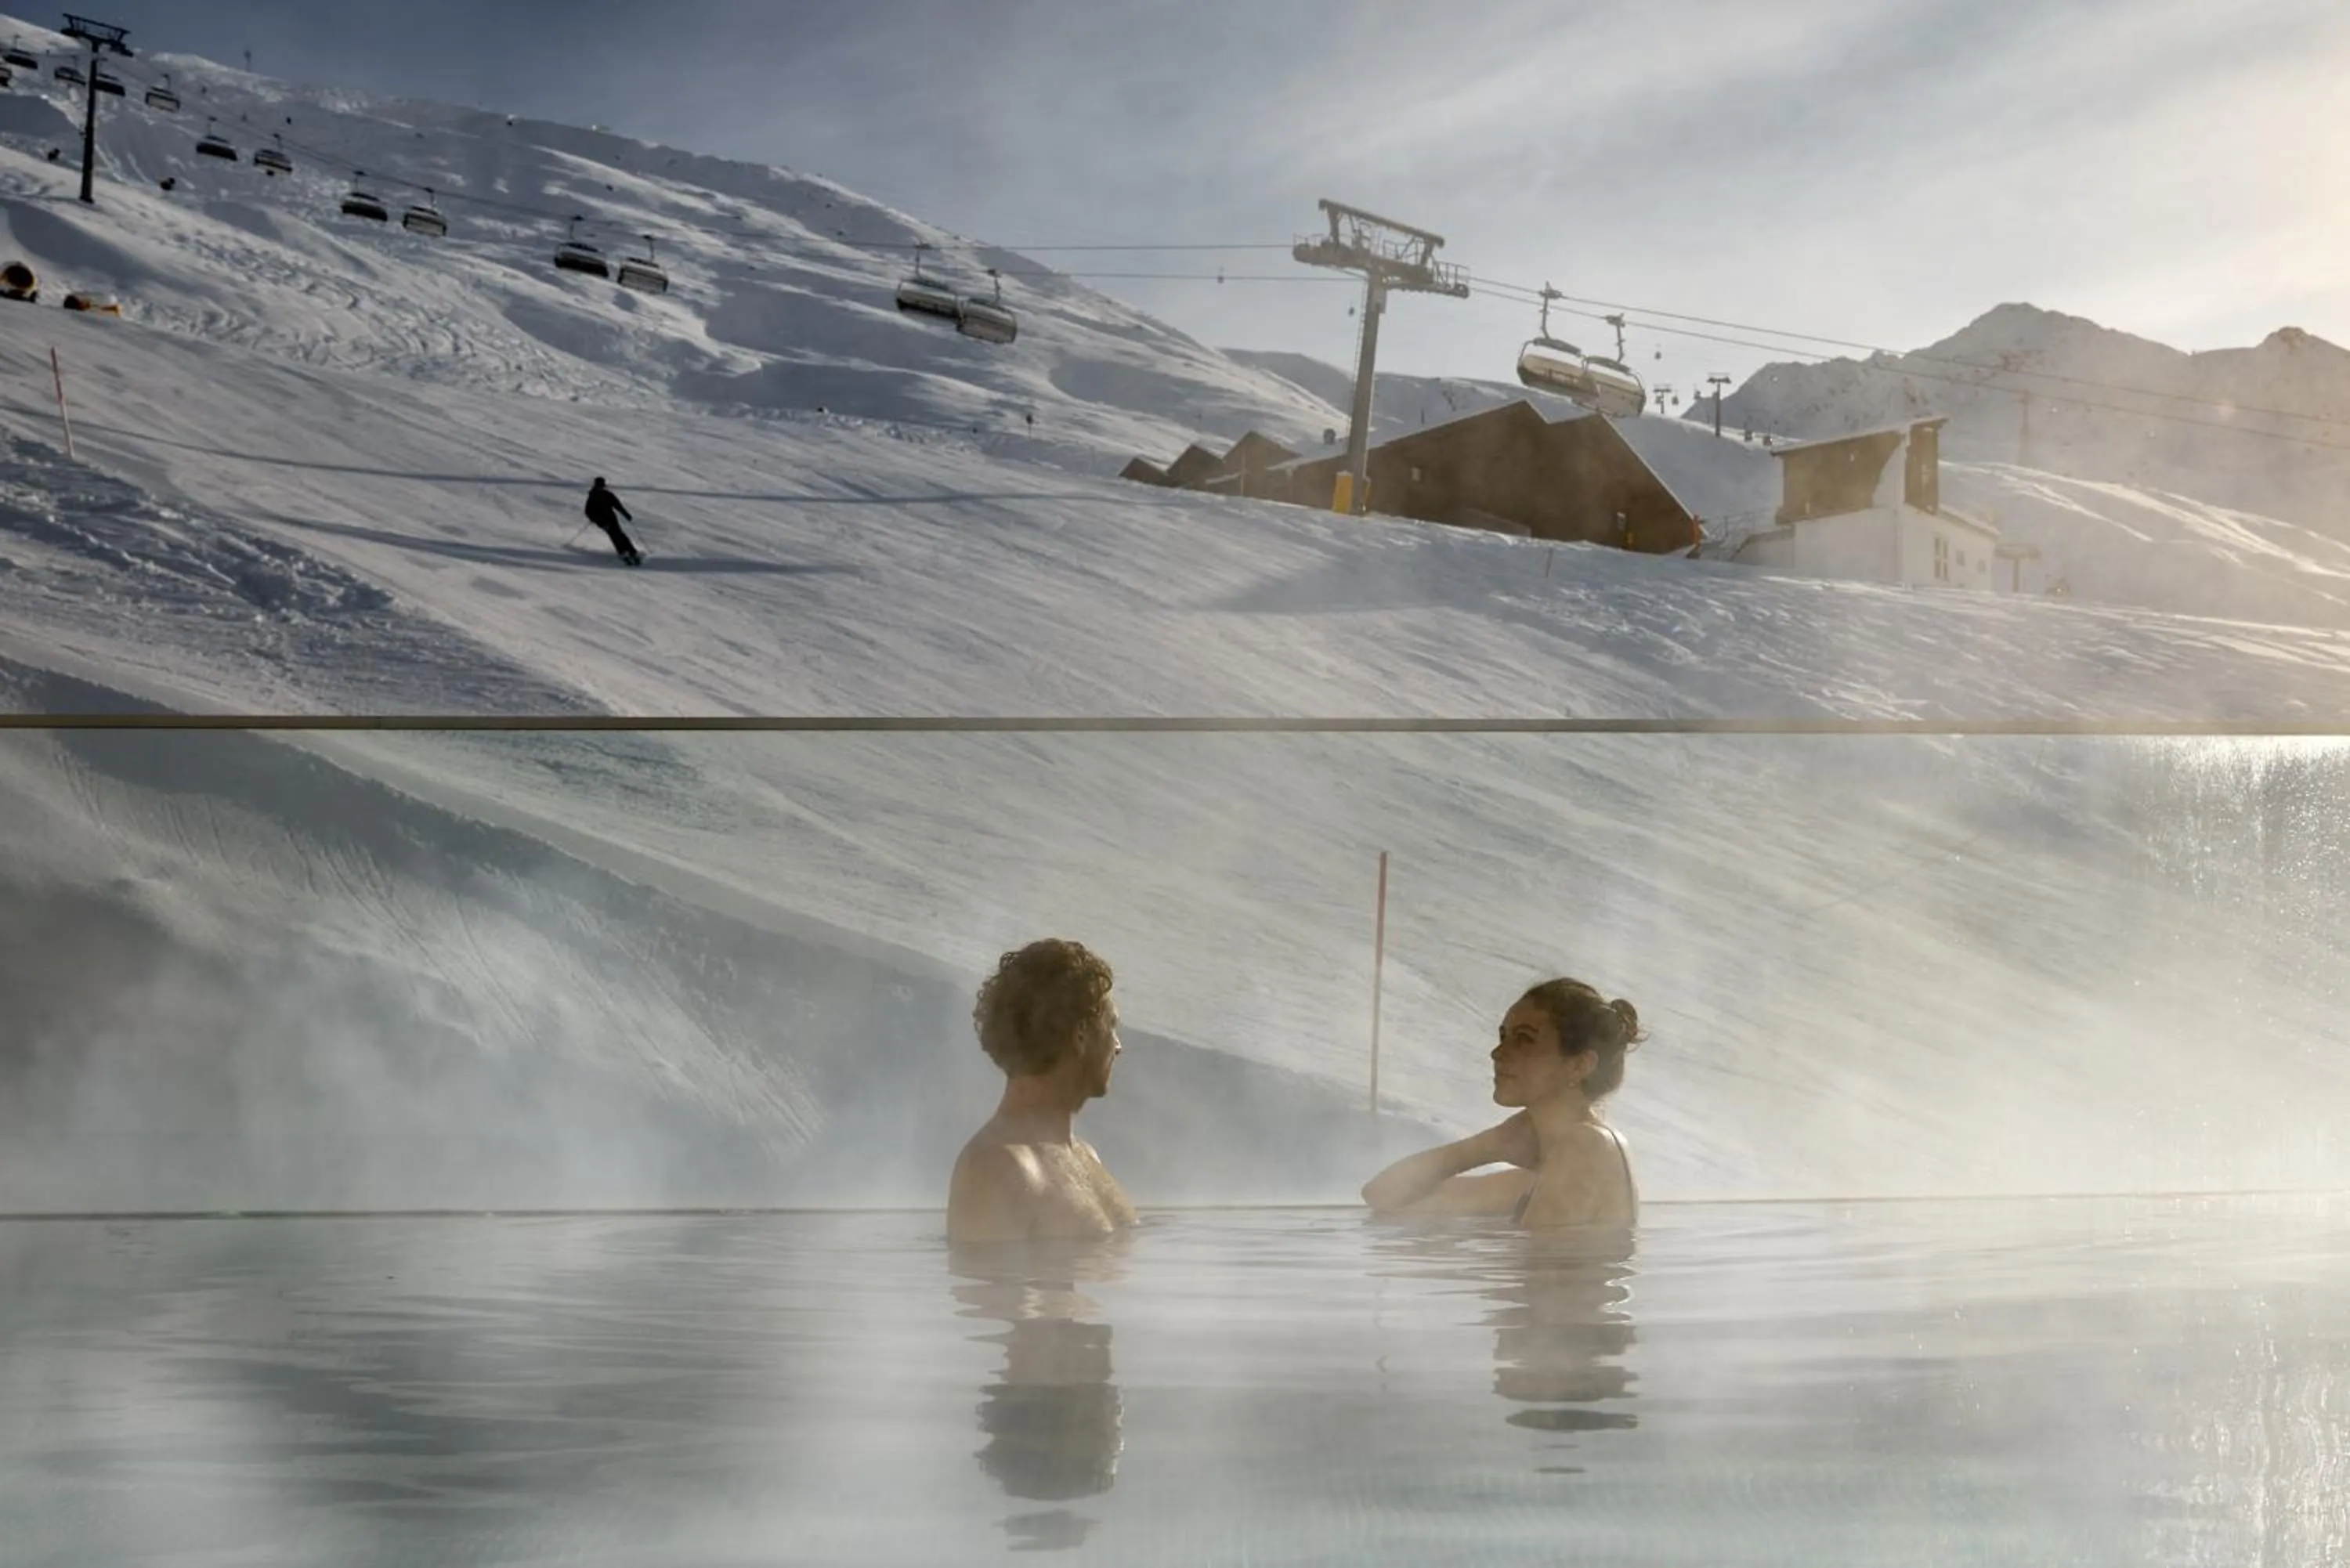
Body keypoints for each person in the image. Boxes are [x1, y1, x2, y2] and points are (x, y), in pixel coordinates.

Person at [1361, 979, 1641, 1228]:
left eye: (1524, 1040)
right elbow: (1381, 1195)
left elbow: (1542, 1276)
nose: (1497, 1053)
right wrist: (1489, 1145)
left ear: (1579, 1066)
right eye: (1503, 1037)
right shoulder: (1541, 1174)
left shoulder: (1585, 1146)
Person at [948, 940, 1137, 1245]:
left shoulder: (1086, 1156)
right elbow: (990, 1286)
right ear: (1081, 1035)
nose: (1118, 1046)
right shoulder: (997, 1167)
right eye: (1111, 1026)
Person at [583, 477, 642, 566]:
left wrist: (626, 514)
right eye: (599, 486)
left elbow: (617, 506)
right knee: (614, 535)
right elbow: (588, 512)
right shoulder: (593, 496)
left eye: (601, 486)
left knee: (620, 534)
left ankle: (631, 551)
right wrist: (597, 521)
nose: (601, 488)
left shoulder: (607, 495)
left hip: (612, 518)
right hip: (602, 521)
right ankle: (623, 552)